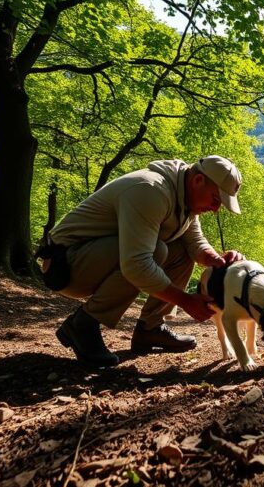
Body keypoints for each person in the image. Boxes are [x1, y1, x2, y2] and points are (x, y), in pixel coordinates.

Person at [42, 155, 245, 367]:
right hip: (65, 264)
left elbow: (193, 241)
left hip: (89, 258)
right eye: (215, 199)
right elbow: (136, 264)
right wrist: (185, 301)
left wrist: (214, 259)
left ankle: (151, 328)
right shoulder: (150, 190)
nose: (215, 209)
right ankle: (83, 324)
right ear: (197, 181)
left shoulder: (185, 198)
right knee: (154, 252)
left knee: (180, 251)